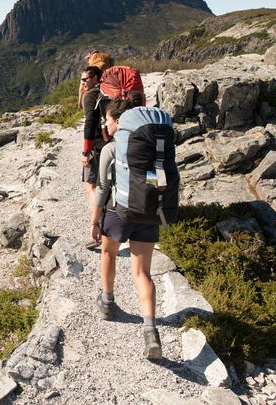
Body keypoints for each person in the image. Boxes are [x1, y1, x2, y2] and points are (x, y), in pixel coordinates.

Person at [90, 97, 163, 360]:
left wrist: (94, 221)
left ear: (118, 122)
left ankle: (108, 302)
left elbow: (102, 188)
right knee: (143, 273)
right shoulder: (152, 147)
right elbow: (157, 181)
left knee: (108, 254)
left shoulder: (111, 149)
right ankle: (150, 331)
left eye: (107, 119)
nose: (105, 123)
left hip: (118, 212)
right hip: (148, 211)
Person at [80, 66, 105, 207]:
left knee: (91, 183)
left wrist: (86, 151)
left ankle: (97, 221)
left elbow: (90, 123)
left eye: (85, 79)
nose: (82, 82)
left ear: (95, 78)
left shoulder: (91, 95)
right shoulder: (107, 92)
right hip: (113, 141)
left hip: (97, 145)